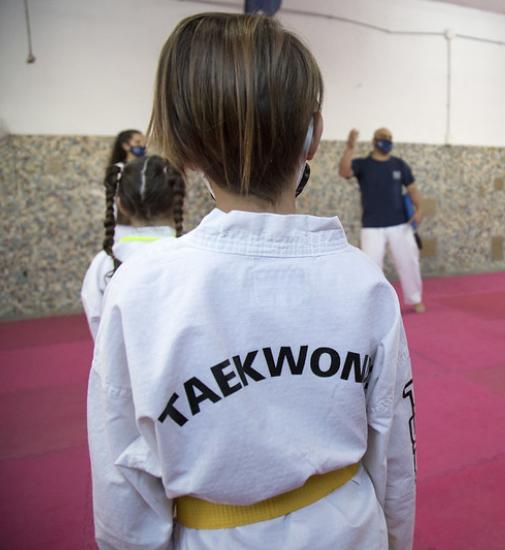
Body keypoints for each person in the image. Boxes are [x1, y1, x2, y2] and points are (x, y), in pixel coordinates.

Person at [87, 13, 416, 550]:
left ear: (185, 152)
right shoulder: (363, 281)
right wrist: (396, 539)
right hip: (353, 529)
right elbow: (395, 454)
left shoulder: (140, 290)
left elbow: (122, 481)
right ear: (313, 137)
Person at [81, 156, 184, 340]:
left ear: (121, 205)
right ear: (177, 200)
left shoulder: (104, 263)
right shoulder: (194, 256)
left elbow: (98, 322)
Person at [338, 127, 426, 313]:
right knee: (370, 268)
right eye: (383, 137)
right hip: (372, 226)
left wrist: (419, 209)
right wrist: (350, 147)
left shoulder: (399, 165)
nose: (387, 140)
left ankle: (415, 298)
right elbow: (344, 172)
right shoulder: (363, 164)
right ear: (374, 140)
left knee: (409, 263)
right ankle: (372, 306)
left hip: (400, 225)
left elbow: (413, 191)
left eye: (390, 138)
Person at [107, 129, 147, 230]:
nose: (142, 145)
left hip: (146, 221)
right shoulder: (117, 169)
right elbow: (113, 199)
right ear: (126, 146)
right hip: (123, 222)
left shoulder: (148, 167)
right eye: (138, 142)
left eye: (144, 142)